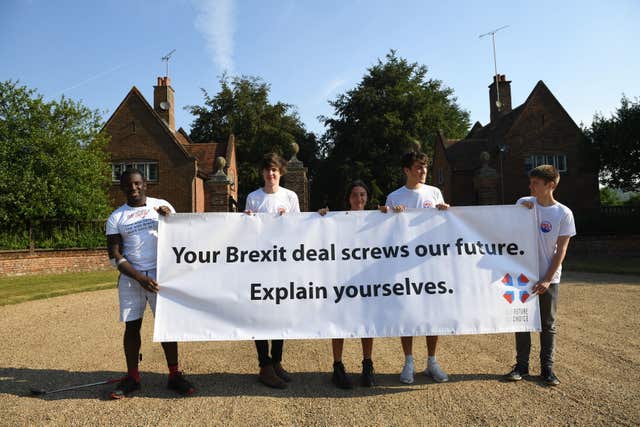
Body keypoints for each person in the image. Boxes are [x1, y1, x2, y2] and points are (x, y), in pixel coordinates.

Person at [106, 168, 195, 399]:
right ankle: (133, 377)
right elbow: (115, 254)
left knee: (166, 325)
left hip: (160, 276)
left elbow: (181, 237)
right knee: (132, 327)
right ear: (122, 188)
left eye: (137, 184)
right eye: (128, 185)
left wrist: (170, 219)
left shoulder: (161, 206)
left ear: (145, 184)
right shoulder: (116, 217)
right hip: (131, 277)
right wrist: (139, 278)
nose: (133, 188)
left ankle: (174, 374)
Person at [381, 151, 450, 384]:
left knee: (433, 313)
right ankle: (408, 361)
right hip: (404, 266)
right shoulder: (394, 197)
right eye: (418, 167)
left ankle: (432, 361)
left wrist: (445, 213)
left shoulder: (435, 193)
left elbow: (444, 226)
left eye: (425, 168)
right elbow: (386, 233)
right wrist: (389, 215)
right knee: (407, 313)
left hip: (429, 263)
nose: (423, 171)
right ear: (406, 170)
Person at [505, 164, 575, 386]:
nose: (530, 186)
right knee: (522, 321)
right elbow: (507, 230)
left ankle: (547, 369)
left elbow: (561, 250)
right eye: (531, 182)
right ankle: (521, 366)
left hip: (549, 277)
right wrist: (519, 214)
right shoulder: (523, 203)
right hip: (522, 276)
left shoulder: (563, 213)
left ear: (550, 185)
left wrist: (547, 278)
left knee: (548, 324)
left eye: (536, 183)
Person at [245, 152, 300, 389]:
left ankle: (276, 361)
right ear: (262, 173)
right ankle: (264, 363)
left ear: (281, 172)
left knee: (279, 313)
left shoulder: (290, 197)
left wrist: (288, 220)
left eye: (275, 170)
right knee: (260, 314)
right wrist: (246, 219)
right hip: (259, 264)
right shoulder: (253, 198)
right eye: (267, 170)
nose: (271, 174)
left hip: (282, 264)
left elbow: (300, 229)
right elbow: (245, 233)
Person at [318, 180, 376, 389]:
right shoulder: (338, 220)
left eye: (362, 194)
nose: (359, 199)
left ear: (367, 197)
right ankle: (337, 365)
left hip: (367, 280)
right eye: (355, 195)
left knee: (367, 324)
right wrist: (322, 217)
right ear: (348, 198)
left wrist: (392, 214)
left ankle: (367, 365)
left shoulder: (376, 219)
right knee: (339, 322)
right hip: (342, 278)